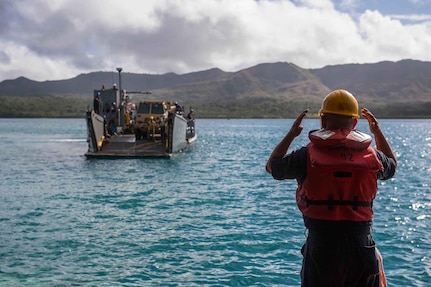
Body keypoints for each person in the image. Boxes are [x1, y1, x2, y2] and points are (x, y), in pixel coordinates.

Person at [266, 89, 397, 287]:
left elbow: (272, 166)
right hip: (362, 249)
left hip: (322, 251)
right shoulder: (373, 157)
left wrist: (292, 134)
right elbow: (392, 166)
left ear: (323, 121)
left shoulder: (307, 155)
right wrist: (376, 131)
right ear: (354, 123)